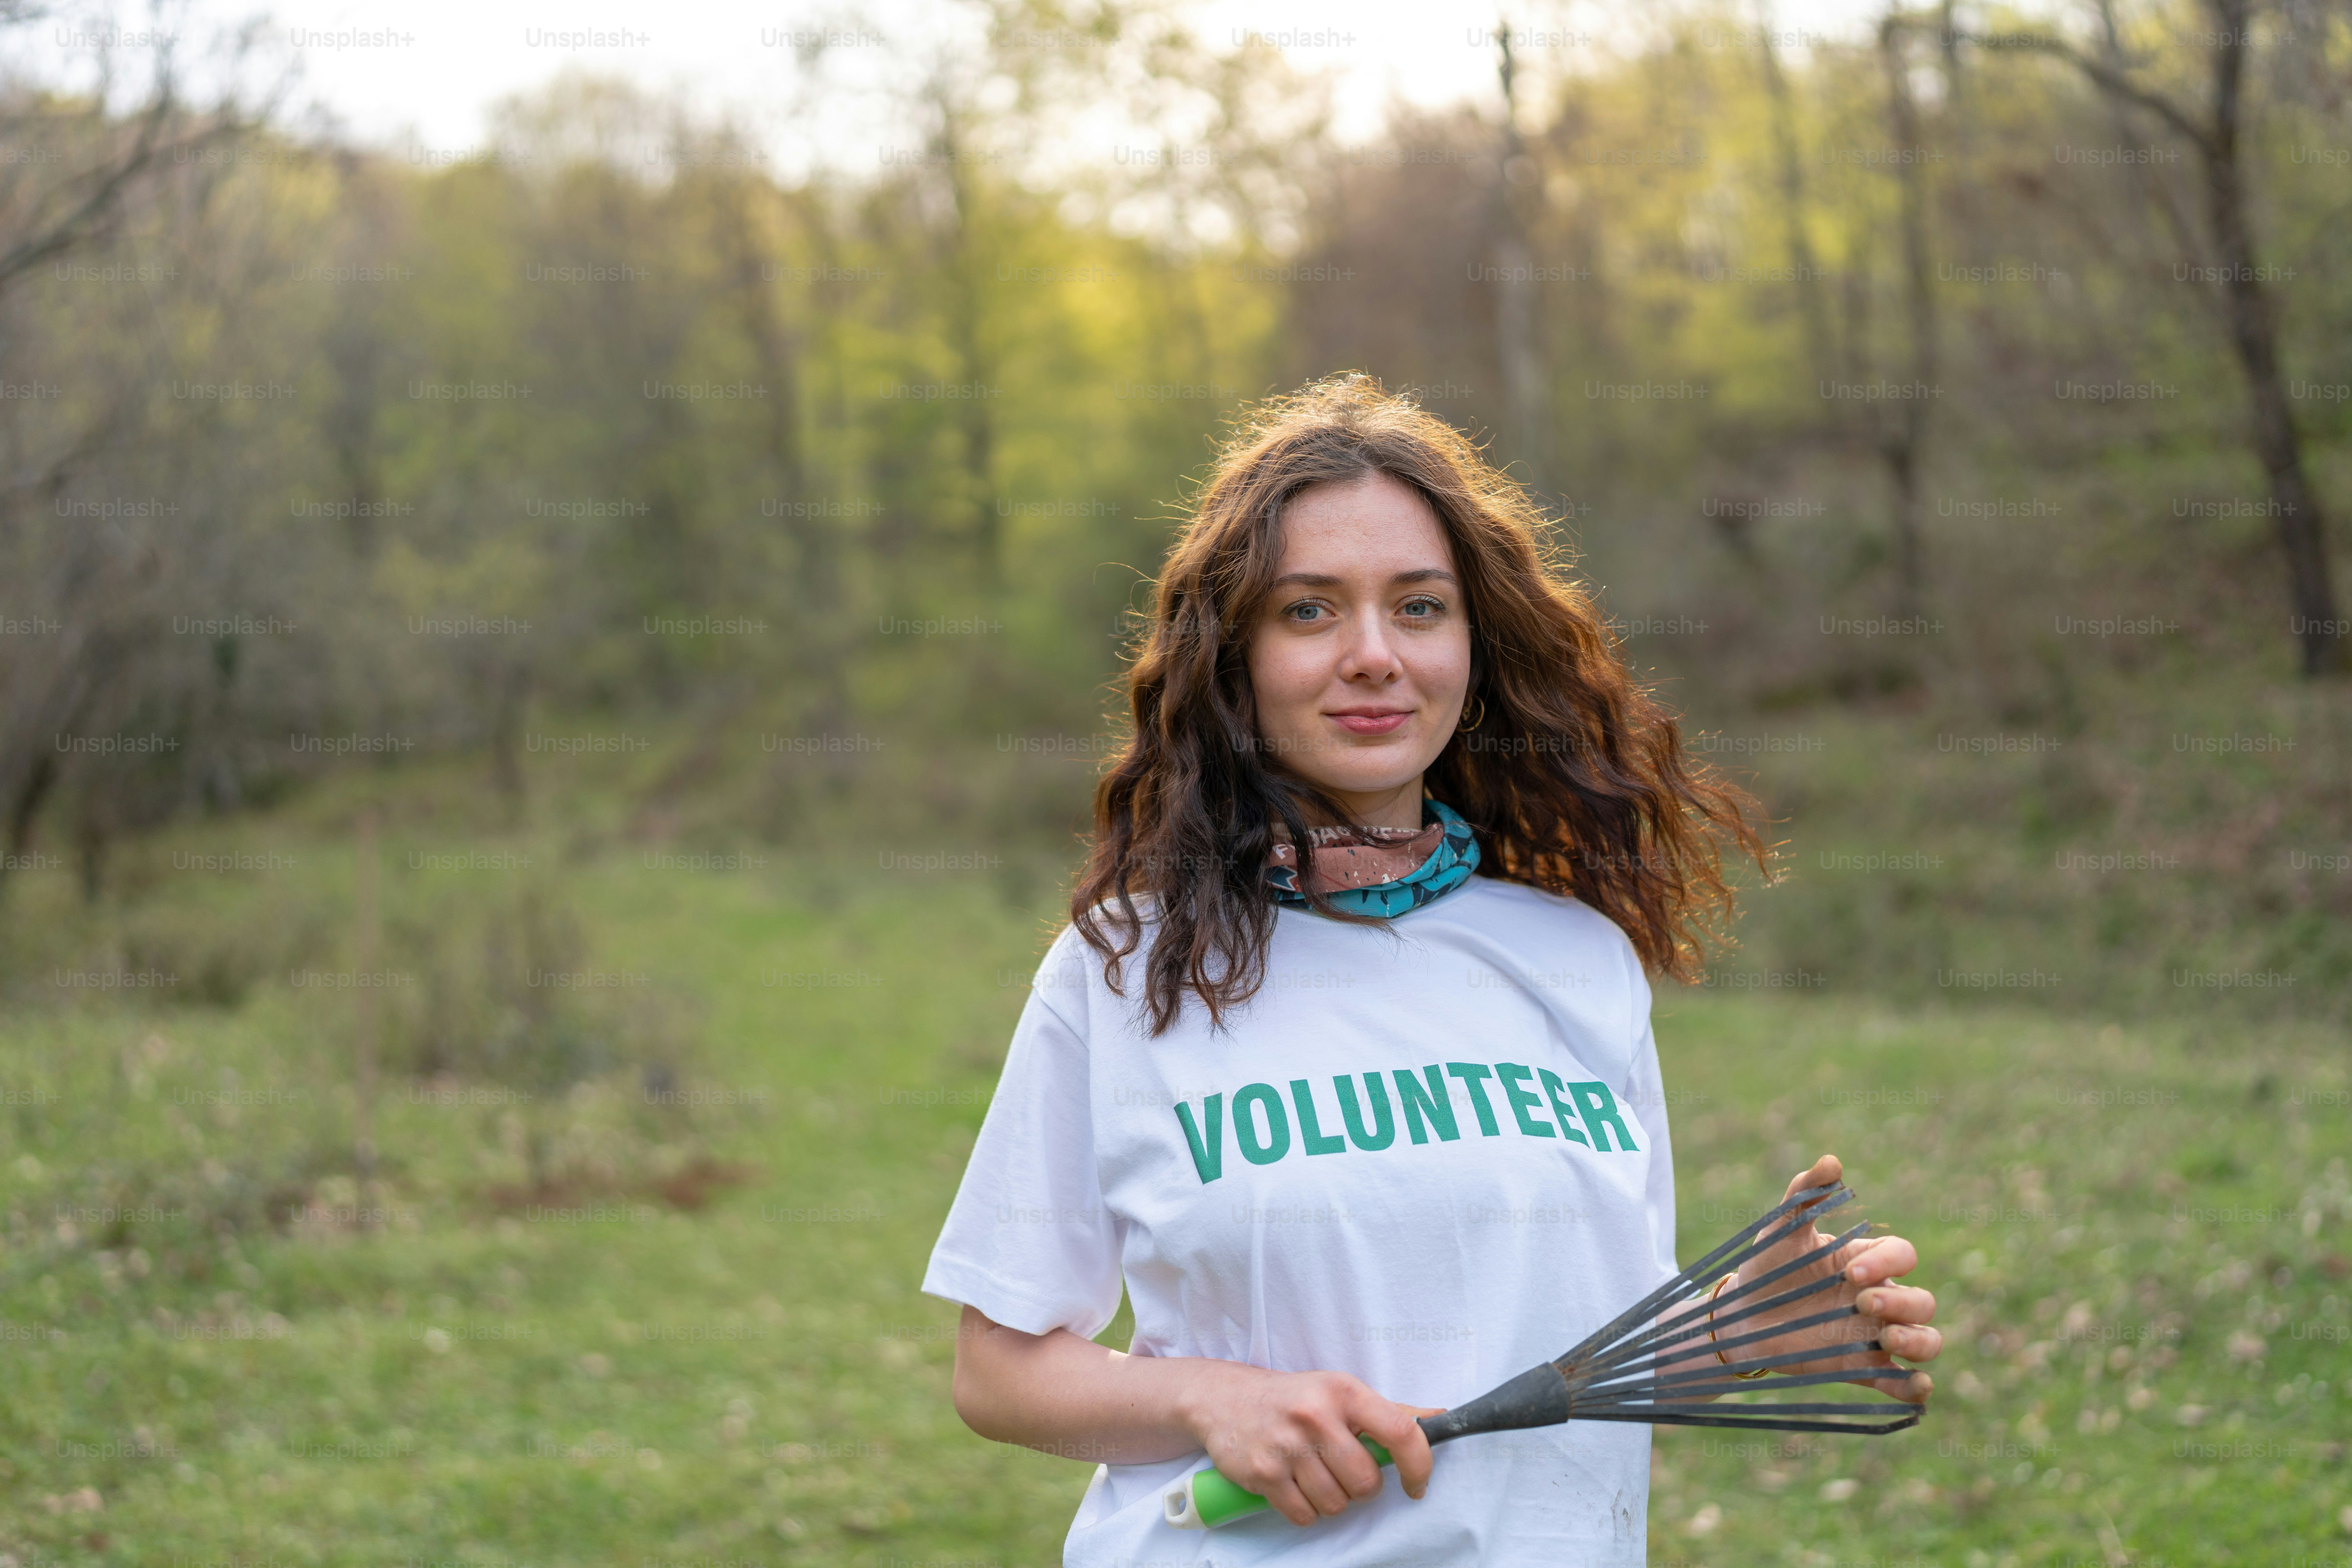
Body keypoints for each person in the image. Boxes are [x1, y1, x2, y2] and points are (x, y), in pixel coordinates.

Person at [923, 375, 1940, 1564]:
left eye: (1419, 608)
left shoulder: (1575, 959)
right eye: (1309, 612)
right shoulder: (1129, 968)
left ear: (1474, 642)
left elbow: (1577, 1344)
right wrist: (1211, 1400)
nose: (1373, 656)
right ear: (1233, 657)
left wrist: (1742, 1323)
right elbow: (998, 1373)